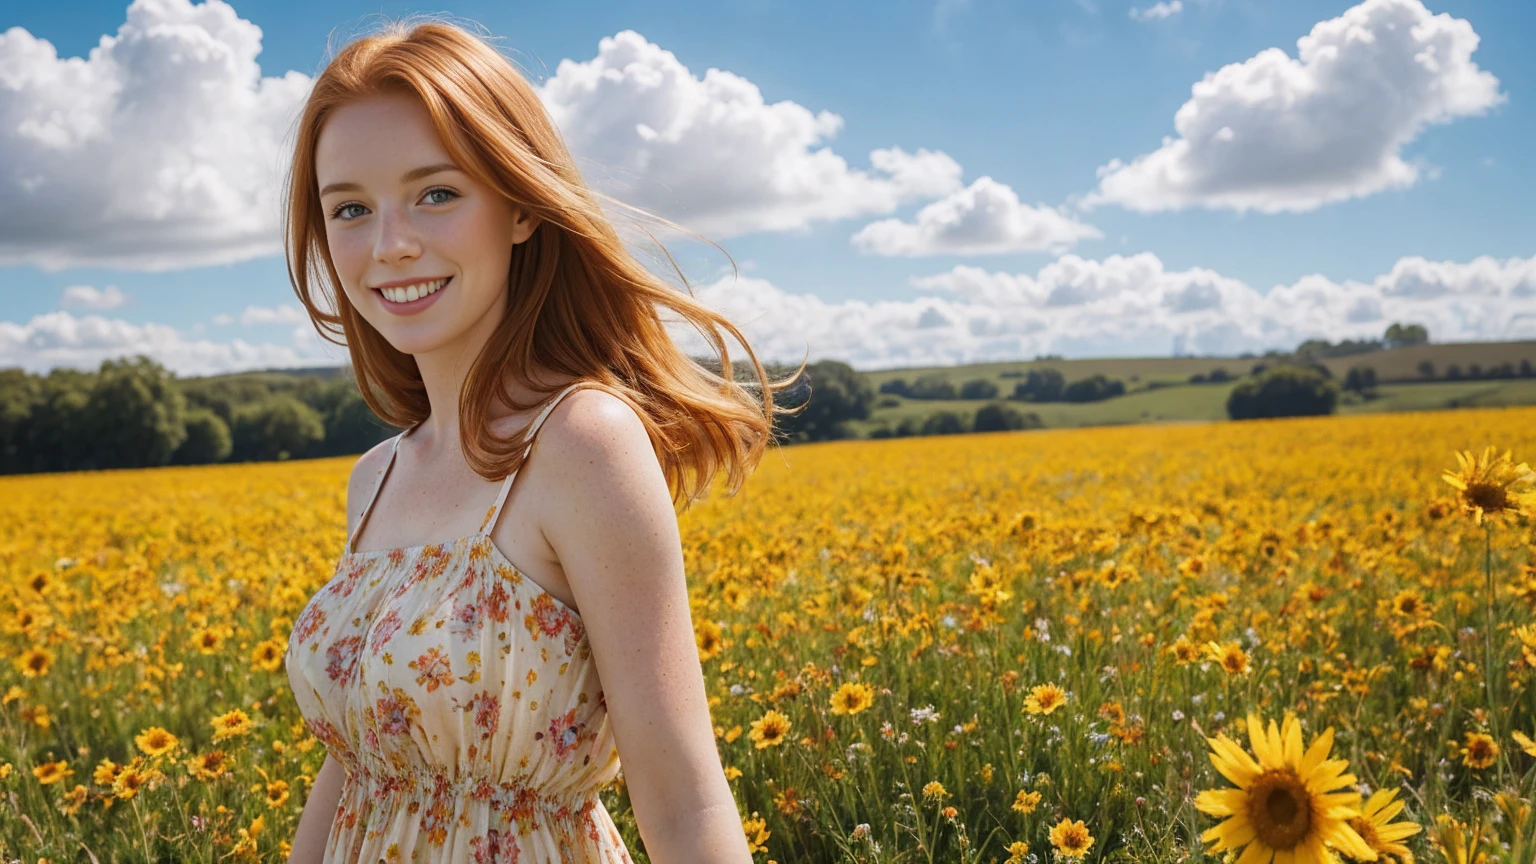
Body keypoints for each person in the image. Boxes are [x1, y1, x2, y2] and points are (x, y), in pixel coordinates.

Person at [280, 15, 804, 864]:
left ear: (521, 206)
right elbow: (356, 766)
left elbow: (680, 799)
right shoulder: (375, 476)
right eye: (350, 209)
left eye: (437, 193)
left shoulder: (581, 443)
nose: (390, 244)